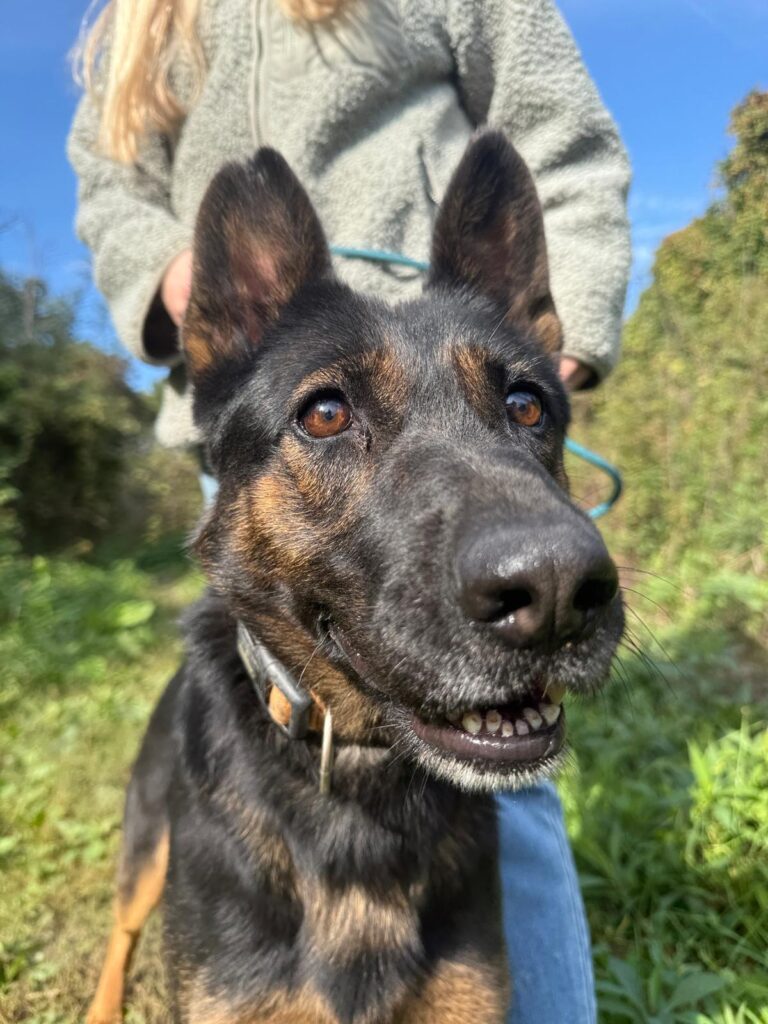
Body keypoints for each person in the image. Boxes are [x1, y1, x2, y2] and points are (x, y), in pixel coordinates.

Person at [68, 2, 631, 1021]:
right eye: (334, 416)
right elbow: (113, 191)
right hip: (263, 354)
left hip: (432, 288)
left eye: (522, 408)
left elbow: (559, 130)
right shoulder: (139, 32)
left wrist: (556, 351)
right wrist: (168, 276)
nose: (549, 561)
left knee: (510, 760)